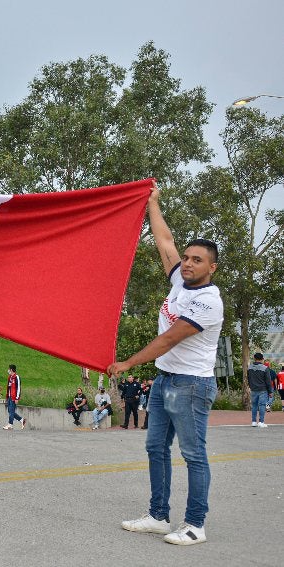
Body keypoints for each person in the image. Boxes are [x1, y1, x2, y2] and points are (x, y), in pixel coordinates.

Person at [108, 184, 222, 546]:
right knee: (155, 448)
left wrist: (128, 362)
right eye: (187, 258)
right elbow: (165, 241)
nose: (187, 263)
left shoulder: (208, 302)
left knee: (193, 455)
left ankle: (195, 524)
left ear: (212, 268)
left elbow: (169, 339)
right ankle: (158, 516)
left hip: (191, 385)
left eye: (197, 260)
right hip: (165, 381)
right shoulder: (179, 281)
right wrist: (153, 204)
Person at [247, 352, 274, 427]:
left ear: (254, 359)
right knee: (262, 405)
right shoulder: (265, 368)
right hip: (263, 390)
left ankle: (253, 422)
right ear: (262, 359)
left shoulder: (249, 368)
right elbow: (268, 381)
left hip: (253, 389)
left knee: (254, 405)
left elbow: (248, 379)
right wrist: (270, 391)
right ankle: (261, 422)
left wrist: (251, 387)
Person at [4, 364, 26, 430]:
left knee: (11, 411)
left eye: (9, 369)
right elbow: (8, 387)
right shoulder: (10, 377)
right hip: (10, 397)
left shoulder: (17, 377)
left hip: (14, 398)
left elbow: (18, 388)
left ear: (11, 369)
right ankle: (21, 420)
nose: (8, 370)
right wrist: (7, 396)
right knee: (10, 411)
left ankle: (10, 424)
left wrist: (17, 398)